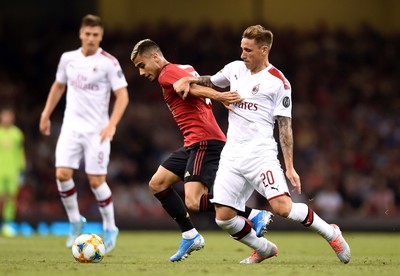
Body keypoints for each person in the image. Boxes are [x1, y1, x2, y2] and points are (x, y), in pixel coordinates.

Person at [173, 25, 351, 264]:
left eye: (248, 50)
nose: (243, 54)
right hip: (232, 155)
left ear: (264, 49)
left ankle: (331, 233)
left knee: (283, 207)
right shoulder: (235, 69)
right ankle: (264, 249)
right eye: (242, 48)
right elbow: (212, 81)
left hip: (260, 155)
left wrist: (289, 166)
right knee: (223, 217)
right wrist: (188, 78)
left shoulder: (279, 82)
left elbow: (285, 127)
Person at [130, 39, 273, 262]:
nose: (141, 72)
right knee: (157, 184)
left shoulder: (166, 73)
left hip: (205, 141)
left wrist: (221, 96)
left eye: (141, 65)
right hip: (193, 143)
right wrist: (216, 94)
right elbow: (190, 86)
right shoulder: (183, 69)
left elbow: (193, 88)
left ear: (155, 57)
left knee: (194, 201)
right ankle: (189, 234)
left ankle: (253, 214)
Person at [39, 14, 129, 254]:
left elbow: (122, 95)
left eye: (96, 35)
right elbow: (58, 86)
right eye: (87, 34)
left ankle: (110, 227)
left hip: (96, 131)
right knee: (62, 174)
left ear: (101, 37)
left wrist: (112, 124)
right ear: (81, 34)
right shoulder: (68, 59)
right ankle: (74, 220)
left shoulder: (109, 62)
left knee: (96, 180)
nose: (91, 38)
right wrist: (46, 114)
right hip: (71, 127)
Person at [0, 107, 26, 237]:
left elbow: (20, 153)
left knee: (11, 198)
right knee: (1, 197)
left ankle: (7, 224)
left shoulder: (17, 134)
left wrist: (22, 171)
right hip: (0, 171)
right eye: (4, 116)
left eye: (9, 116)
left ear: (12, 118)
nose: (6, 119)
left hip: (12, 171)